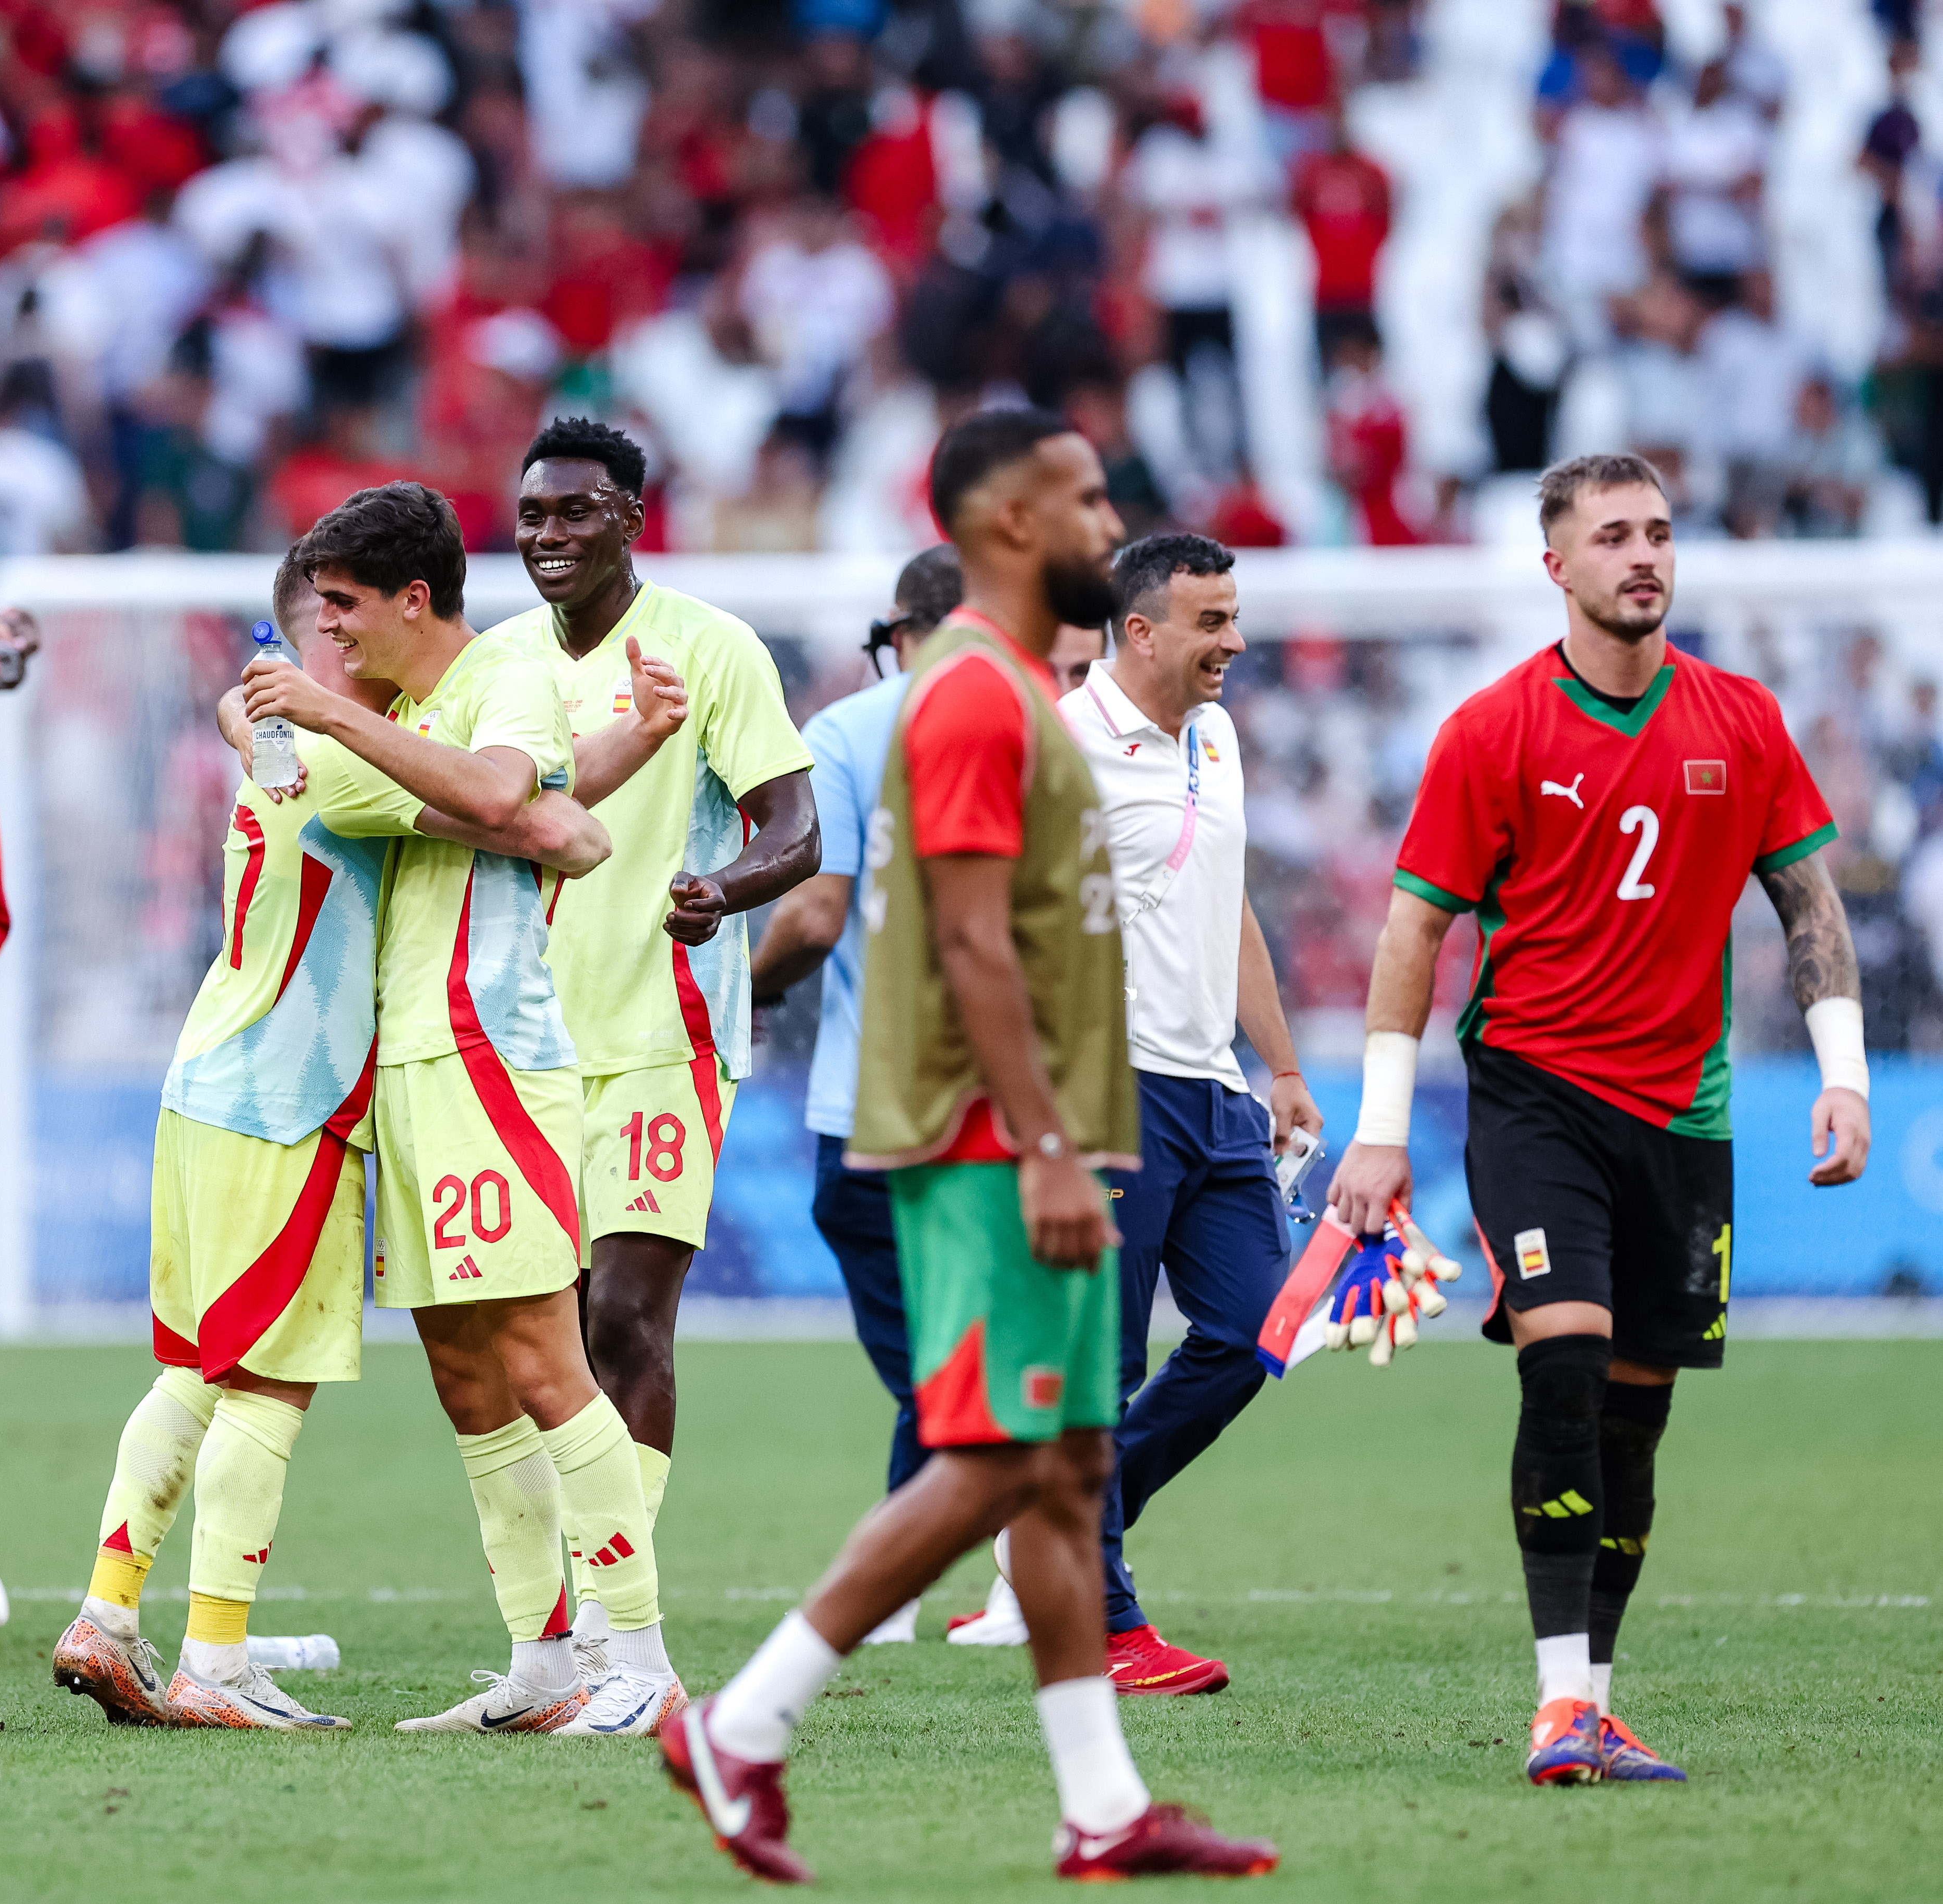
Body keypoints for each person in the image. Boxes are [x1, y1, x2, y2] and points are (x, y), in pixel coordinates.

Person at [662, 409, 1278, 1883]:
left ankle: (1100, 1807)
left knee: (1064, 1469)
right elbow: (964, 936)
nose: (1103, 520)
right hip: (983, 1142)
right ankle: (739, 1724)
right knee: (997, 1455)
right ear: (1009, 523)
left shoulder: (1012, 692)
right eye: (1082, 498)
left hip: (1034, 1130)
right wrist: (1053, 1146)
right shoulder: (967, 702)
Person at [1328, 452, 1870, 1786]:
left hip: (1683, 1120)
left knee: (1635, 1415)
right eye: (1613, 535)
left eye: (1661, 534)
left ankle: (1599, 1702)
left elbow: (1808, 906)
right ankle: (1556, 1705)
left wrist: (1843, 1071)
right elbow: (1415, 929)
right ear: (1556, 566)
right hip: (1535, 1097)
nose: (1644, 555)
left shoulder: (1740, 722)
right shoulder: (1491, 730)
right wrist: (1379, 1125)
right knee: (1562, 1358)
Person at [52, 553, 610, 1730]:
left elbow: (475, 795)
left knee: (198, 1371)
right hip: (288, 1101)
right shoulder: (340, 763)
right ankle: (216, 1661)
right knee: (267, 1385)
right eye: (334, 636)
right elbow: (544, 826)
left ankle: (106, 1615)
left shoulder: (283, 747)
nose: (358, 660)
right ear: (301, 651)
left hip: (207, 1081)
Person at [235, 483, 668, 1737]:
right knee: (466, 1374)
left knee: (544, 1358)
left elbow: (501, 794)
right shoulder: (410, 708)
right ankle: (541, 1660)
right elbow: (542, 818)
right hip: (407, 1071)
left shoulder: (505, 675)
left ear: (413, 598)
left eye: (344, 608)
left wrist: (322, 711)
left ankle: (635, 1656)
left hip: (489, 1058)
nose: (328, 635)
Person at [481, 418, 816, 1693]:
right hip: (515, 1047)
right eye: (531, 516)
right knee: (540, 1344)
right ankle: (561, 1648)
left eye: (573, 513)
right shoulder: (498, 661)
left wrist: (720, 891)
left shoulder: (709, 648)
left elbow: (798, 829)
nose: (547, 536)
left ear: (629, 518)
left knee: (624, 1317)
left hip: (659, 1037)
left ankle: (619, 1646)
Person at [1047, 532, 1321, 1695]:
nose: (1237, 643)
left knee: (1262, 1329)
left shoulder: (1214, 733)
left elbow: (1230, 904)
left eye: (1236, 616)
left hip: (1212, 1092)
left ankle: (1082, 1515)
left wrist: (1285, 1068)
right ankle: (1101, 1623)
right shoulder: (1059, 749)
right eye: (1213, 622)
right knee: (1096, 1369)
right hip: (1109, 1090)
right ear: (1142, 630)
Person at [745, 542, 958, 1648]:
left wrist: (745, 988)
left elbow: (814, 913)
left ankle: (890, 1589)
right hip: (1024, 1107)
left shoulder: (850, 732)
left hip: (873, 1110)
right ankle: (954, 1580)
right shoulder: (1052, 726)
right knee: (971, 1365)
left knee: (939, 1374)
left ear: (909, 630)